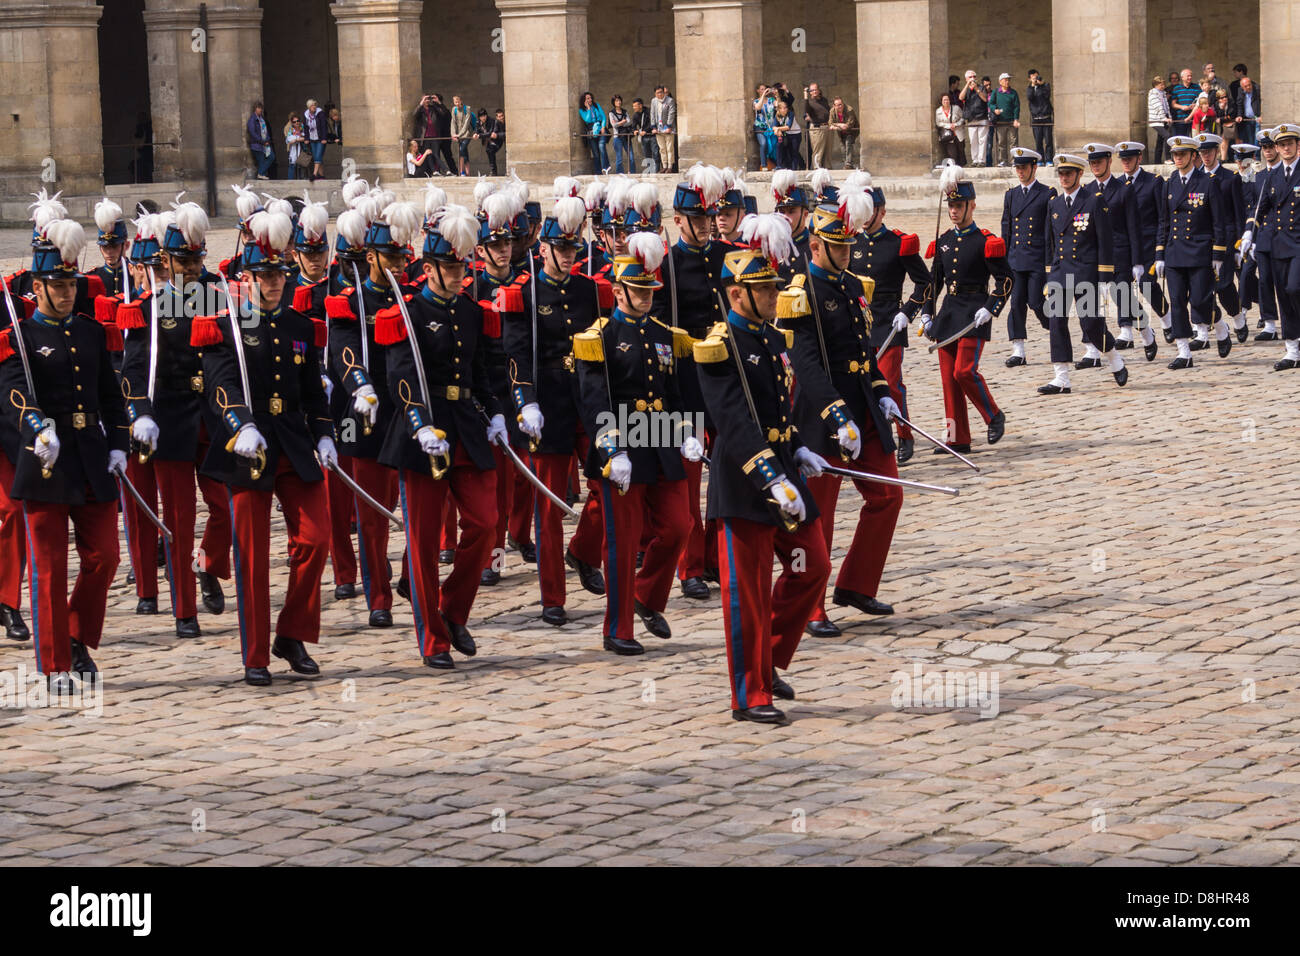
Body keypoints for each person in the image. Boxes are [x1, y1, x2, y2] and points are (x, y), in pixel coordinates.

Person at [694, 221, 832, 725]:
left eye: (774, 287)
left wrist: (797, 449)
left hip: (784, 474)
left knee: (812, 565)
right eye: (765, 289)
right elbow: (734, 422)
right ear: (737, 294)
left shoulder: (774, 340)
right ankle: (749, 693)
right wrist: (772, 475)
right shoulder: (717, 346)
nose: (775, 295)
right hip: (747, 484)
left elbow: (777, 412)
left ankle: (768, 659)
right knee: (746, 593)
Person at [192, 209, 335, 687]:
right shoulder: (225, 326)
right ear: (248, 277)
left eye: (280, 275)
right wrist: (239, 424)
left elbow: (313, 390)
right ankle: (255, 655)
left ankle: (291, 634)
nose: (275, 283)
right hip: (246, 448)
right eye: (266, 275)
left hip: (293, 445)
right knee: (251, 557)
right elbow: (219, 386)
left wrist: (325, 432)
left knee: (316, 539)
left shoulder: (299, 325)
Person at [375, 205, 498, 668]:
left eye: (462, 266)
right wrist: (420, 423)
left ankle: (452, 610)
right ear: (427, 269)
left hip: (466, 425)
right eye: (450, 267)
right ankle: (432, 639)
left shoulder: (470, 310)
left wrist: (498, 415)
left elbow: (483, 373)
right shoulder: (405, 313)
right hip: (421, 434)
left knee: (485, 524)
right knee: (424, 543)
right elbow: (400, 377)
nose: (459, 274)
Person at [782, 192, 903, 637]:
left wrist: (882, 390)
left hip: (865, 412)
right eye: (838, 246)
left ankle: (856, 584)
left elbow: (864, 350)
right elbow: (807, 366)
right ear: (815, 246)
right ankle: (811, 607)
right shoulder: (799, 294)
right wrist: (836, 416)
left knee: (888, 496)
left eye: (849, 245)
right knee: (821, 513)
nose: (847, 253)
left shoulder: (852, 285)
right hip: (821, 417)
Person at [114, 200, 231, 639]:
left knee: (227, 510)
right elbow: (134, 370)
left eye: (197, 258)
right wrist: (140, 414)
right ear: (166, 261)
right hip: (173, 417)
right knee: (179, 517)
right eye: (184, 260)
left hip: (215, 416)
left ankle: (208, 564)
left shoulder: (221, 297)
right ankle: (185, 609)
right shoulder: (148, 306)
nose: (193, 267)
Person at [573, 233, 695, 654]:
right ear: (619, 291)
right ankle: (618, 628)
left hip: (660, 440)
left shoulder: (666, 334)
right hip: (621, 443)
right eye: (638, 291)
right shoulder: (599, 336)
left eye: (649, 290)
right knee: (622, 542)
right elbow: (593, 400)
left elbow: (676, 392)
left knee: (679, 525)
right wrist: (611, 447)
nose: (646, 297)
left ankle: (647, 596)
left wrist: (688, 431)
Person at [501, 196, 611, 626]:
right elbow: (515, 354)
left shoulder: (590, 291)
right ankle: (553, 596)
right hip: (547, 402)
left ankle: (584, 550)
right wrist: (523, 401)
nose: (567, 257)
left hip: (588, 398)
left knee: (608, 481)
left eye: (573, 249)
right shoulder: (523, 292)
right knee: (548, 504)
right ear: (542, 248)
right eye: (560, 249)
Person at [326, 197, 419, 628]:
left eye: (403, 256)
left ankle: (409, 578)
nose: (399, 264)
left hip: (408, 411)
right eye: (390, 256)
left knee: (419, 508)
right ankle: (378, 597)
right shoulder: (351, 302)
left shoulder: (415, 300)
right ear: (371, 258)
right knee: (372, 515)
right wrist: (358, 384)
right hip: (365, 410)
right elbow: (342, 351)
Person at [651, 165, 730, 600]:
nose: (704, 227)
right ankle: (691, 566)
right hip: (686, 383)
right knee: (687, 482)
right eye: (696, 220)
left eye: (708, 219)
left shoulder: (727, 257)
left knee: (728, 474)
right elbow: (660, 332)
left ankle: (719, 557)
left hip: (726, 380)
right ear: (678, 220)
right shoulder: (668, 265)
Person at [917, 173, 1009, 449]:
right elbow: (934, 283)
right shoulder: (944, 240)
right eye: (951, 206)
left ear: (972, 206)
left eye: (959, 206)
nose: (954, 212)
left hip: (974, 313)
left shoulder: (986, 241)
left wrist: (991, 308)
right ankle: (957, 438)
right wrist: (926, 312)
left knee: (964, 371)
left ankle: (994, 415)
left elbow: (1006, 280)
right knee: (949, 381)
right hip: (948, 315)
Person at [847, 174, 930, 469]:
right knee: (858, 385)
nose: (867, 218)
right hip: (859, 324)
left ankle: (904, 434)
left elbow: (925, 283)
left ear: (882, 212)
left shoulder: (899, 243)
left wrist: (907, 312)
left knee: (891, 383)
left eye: (872, 212)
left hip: (889, 322)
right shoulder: (850, 242)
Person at [1154, 135, 1228, 370]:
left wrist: (1217, 254)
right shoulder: (1170, 182)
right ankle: (1184, 351)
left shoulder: (1206, 182)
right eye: (1175, 155)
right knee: (1177, 302)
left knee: (1200, 301)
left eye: (1182, 155)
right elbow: (1164, 221)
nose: (1178, 159)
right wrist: (1159, 253)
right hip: (1175, 252)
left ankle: (1221, 326)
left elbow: (1219, 221)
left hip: (1199, 250)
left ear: (1193, 156)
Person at [1243, 125, 1300, 368]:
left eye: (1290, 143)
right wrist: (1249, 234)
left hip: (1298, 243)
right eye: (1281, 144)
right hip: (1277, 244)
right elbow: (1260, 207)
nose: (1285, 148)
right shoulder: (1270, 176)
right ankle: (1292, 350)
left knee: (1295, 288)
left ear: (1298, 146)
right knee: (1284, 295)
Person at [1000, 146, 1052, 367]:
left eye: (1024, 168)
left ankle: (1054, 325)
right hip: (1015, 258)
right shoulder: (1011, 195)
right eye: (1017, 168)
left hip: (1037, 258)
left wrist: (1050, 263)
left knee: (1036, 302)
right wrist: (1003, 259)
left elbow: (1050, 232)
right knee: (1016, 302)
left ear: (1034, 168)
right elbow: (1007, 228)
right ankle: (1018, 349)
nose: (1020, 172)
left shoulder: (1046, 193)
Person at [1195, 132, 1247, 348]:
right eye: (1202, 152)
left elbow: (1238, 214)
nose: (1205, 156)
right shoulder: (1195, 179)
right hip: (1200, 242)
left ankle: (1237, 317)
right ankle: (1201, 332)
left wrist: (1237, 246)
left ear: (1217, 152)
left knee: (1224, 285)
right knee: (1198, 288)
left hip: (1224, 241)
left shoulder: (1230, 178)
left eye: (1209, 152)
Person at [1114, 140, 1164, 359]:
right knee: (1120, 289)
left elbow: (1163, 216)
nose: (1126, 163)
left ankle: (1167, 317)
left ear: (1139, 158)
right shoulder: (1117, 185)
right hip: (1125, 247)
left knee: (1148, 286)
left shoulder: (1153, 182)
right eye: (1123, 159)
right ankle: (1127, 329)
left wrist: (1161, 247)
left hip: (1147, 244)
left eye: (1130, 159)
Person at [1243, 130, 1281, 342]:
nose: (1267, 151)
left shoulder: (1286, 171)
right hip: (1265, 235)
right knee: (1264, 281)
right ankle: (1269, 323)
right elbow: (1256, 208)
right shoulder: (1260, 177)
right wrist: (1251, 234)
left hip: (1286, 235)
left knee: (1287, 283)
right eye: (1264, 148)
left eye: (1270, 147)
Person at [959, 70, 990, 167]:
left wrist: (976, 88)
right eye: (970, 77)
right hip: (971, 118)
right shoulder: (966, 89)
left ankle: (981, 160)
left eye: (974, 76)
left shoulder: (981, 87)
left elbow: (985, 99)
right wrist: (967, 85)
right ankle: (975, 160)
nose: (972, 78)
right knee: (973, 140)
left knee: (982, 140)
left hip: (982, 117)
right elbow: (961, 97)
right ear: (966, 79)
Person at [989, 73, 1021, 166]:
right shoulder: (995, 92)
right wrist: (995, 109)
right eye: (1005, 80)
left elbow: (1016, 107)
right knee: (1001, 143)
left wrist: (1016, 119)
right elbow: (990, 103)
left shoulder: (1013, 92)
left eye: (1008, 80)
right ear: (1000, 82)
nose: (1007, 82)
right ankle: (1003, 161)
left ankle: (1013, 161)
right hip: (1000, 121)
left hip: (1011, 121)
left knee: (1013, 143)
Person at [578, 91, 608, 175]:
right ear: (584, 100)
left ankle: (605, 168)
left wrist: (603, 126)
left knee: (601, 147)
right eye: (588, 98)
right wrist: (588, 109)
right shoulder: (582, 110)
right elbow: (587, 120)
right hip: (591, 131)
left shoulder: (596, 105)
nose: (590, 99)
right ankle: (598, 172)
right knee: (595, 153)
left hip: (600, 128)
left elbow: (603, 117)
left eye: (590, 98)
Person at [1027, 69, 1054, 162]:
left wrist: (1042, 84)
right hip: (1036, 118)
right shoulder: (1030, 88)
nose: (1036, 79)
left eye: (1037, 76)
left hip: (1046, 118)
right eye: (1033, 77)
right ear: (1029, 79)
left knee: (1048, 141)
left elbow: (1047, 95)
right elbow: (1030, 97)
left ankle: (1049, 159)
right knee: (1038, 141)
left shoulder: (1045, 86)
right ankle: (1040, 160)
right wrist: (1033, 86)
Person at [804, 82, 831, 169]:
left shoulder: (824, 100)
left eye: (816, 89)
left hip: (827, 127)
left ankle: (827, 169)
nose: (815, 91)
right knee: (818, 151)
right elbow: (806, 109)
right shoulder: (810, 102)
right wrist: (805, 97)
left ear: (819, 90)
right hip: (817, 128)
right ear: (810, 92)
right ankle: (817, 169)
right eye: (812, 90)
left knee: (828, 151)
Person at [411, 94, 441, 173]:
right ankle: (433, 171)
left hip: (434, 136)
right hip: (425, 136)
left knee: (436, 154)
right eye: (425, 99)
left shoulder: (433, 108)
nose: (427, 100)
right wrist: (421, 103)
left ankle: (441, 170)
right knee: (428, 155)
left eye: (428, 99)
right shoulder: (420, 110)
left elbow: (443, 113)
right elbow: (414, 114)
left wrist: (438, 103)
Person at [753, 85, 779, 171]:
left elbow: (778, 105)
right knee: (763, 143)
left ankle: (776, 164)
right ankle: (763, 165)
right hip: (759, 127)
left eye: (765, 89)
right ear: (758, 91)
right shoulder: (756, 101)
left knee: (774, 145)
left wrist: (777, 95)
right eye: (762, 89)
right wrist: (763, 95)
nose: (764, 90)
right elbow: (758, 107)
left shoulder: (771, 101)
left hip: (770, 127)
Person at [935, 93, 966, 165]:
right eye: (944, 100)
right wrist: (948, 126)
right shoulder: (938, 111)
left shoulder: (956, 108)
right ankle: (954, 169)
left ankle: (962, 168)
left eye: (947, 99)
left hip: (958, 133)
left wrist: (956, 124)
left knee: (961, 152)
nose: (946, 101)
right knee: (952, 153)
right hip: (948, 135)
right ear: (941, 101)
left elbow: (963, 118)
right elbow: (938, 123)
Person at [651, 86, 677, 174]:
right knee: (662, 148)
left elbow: (671, 113)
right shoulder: (653, 101)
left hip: (668, 129)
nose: (660, 94)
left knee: (669, 148)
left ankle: (670, 167)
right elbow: (652, 114)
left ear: (664, 92)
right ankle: (664, 166)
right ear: (655, 94)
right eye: (658, 93)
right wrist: (653, 127)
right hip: (658, 129)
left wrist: (669, 126)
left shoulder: (670, 100)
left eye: (661, 92)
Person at [829, 96, 859, 169]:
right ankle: (847, 163)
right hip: (840, 132)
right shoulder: (832, 111)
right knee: (842, 147)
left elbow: (848, 125)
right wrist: (840, 125)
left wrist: (836, 126)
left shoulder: (849, 110)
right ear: (834, 106)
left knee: (848, 144)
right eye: (837, 105)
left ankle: (848, 164)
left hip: (851, 130)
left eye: (841, 104)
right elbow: (830, 123)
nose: (840, 106)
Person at [247, 102, 274, 180]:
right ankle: (261, 175)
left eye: (261, 108)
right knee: (262, 161)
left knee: (271, 157)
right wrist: (262, 141)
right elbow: (253, 133)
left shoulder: (262, 119)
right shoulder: (252, 120)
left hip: (265, 144)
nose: (261, 110)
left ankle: (261, 174)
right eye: (259, 108)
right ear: (255, 109)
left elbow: (266, 131)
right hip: (257, 145)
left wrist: (268, 140)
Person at [1148, 75, 1172, 163]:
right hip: (1157, 120)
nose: (1163, 86)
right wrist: (1163, 118)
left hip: (1164, 119)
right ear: (1156, 85)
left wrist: (1169, 117)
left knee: (1160, 141)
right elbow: (1158, 106)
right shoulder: (1153, 93)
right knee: (1167, 136)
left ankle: (1157, 161)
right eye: (1161, 84)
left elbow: (1166, 107)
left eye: (1163, 84)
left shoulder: (1163, 93)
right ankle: (1168, 158)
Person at [773, 100, 803, 170]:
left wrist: (777, 129)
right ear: (779, 109)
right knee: (779, 147)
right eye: (782, 108)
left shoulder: (790, 114)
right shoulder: (777, 115)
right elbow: (774, 126)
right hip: (787, 135)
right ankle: (779, 166)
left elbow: (788, 127)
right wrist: (777, 130)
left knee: (794, 152)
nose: (784, 110)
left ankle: (794, 169)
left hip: (795, 134)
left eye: (785, 108)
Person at [607, 95, 632, 174]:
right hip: (617, 137)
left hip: (626, 136)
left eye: (619, 100)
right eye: (617, 101)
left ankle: (633, 173)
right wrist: (622, 122)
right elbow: (614, 125)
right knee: (619, 158)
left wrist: (619, 123)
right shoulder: (611, 113)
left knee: (631, 157)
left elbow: (629, 122)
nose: (619, 102)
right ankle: (619, 175)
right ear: (614, 102)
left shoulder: (625, 111)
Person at [451, 95, 475, 176]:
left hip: (467, 133)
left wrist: (459, 134)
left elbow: (467, 123)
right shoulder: (454, 109)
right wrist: (453, 134)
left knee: (462, 149)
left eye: (458, 101)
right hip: (458, 135)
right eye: (455, 102)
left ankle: (462, 172)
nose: (457, 103)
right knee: (464, 151)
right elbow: (453, 122)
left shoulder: (467, 108)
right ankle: (467, 172)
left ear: (461, 101)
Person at [1170, 69, 1199, 137]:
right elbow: (1173, 104)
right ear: (1182, 78)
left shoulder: (1197, 87)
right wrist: (1182, 107)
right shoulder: (1177, 88)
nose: (1190, 78)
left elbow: (1201, 100)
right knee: (1181, 140)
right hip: (1180, 119)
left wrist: (1195, 105)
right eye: (1188, 76)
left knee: (1195, 139)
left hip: (1194, 119)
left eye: (1191, 76)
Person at [1234, 76, 1260, 147]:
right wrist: (1239, 115)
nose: (1248, 87)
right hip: (1247, 119)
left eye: (1249, 85)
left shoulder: (1257, 90)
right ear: (1242, 87)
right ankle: (1251, 155)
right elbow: (1239, 104)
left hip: (1257, 118)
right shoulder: (1240, 91)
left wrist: (1261, 115)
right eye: (1246, 86)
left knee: (1257, 138)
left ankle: (1257, 156)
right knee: (1250, 139)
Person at [304, 98, 325, 182]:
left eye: (315, 105)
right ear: (309, 107)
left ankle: (314, 174)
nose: (314, 107)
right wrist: (306, 138)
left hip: (320, 139)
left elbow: (323, 126)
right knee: (317, 156)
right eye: (312, 105)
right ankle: (322, 176)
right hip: (312, 139)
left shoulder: (320, 113)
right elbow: (306, 127)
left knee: (318, 156)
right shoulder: (306, 115)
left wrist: (324, 138)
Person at [631, 98, 655, 169]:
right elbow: (633, 126)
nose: (634, 108)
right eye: (633, 106)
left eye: (635, 106)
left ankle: (656, 170)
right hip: (644, 137)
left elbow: (652, 122)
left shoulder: (649, 111)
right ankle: (650, 170)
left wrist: (646, 131)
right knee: (647, 154)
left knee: (655, 153)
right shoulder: (635, 115)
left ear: (640, 105)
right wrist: (635, 130)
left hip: (652, 135)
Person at [481, 108, 505, 176]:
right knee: (489, 150)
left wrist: (497, 135)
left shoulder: (507, 122)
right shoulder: (496, 122)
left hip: (505, 140)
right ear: (496, 117)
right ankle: (493, 171)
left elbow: (508, 133)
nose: (501, 118)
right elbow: (493, 131)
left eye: (502, 116)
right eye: (499, 116)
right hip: (497, 141)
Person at [285, 114, 306, 180]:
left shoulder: (303, 128)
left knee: (302, 166)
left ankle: (301, 181)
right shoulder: (291, 130)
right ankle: (290, 181)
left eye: (298, 121)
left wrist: (296, 139)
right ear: (292, 123)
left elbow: (307, 138)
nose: (296, 122)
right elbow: (288, 140)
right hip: (294, 150)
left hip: (303, 150)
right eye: (294, 122)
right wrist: (299, 138)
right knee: (292, 166)